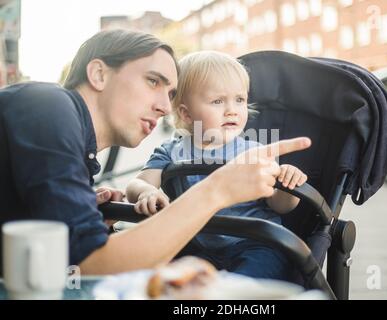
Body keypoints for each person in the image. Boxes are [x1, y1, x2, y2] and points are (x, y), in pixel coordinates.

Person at [0, 29, 311, 275]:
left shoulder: (74, 148)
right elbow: (88, 264)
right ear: (99, 74)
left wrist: (85, 219)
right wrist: (217, 189)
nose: (165, 107)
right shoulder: (49, 106)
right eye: (153, 81)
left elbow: (63, 260)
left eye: (170, 93)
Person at [126, 51, 308, 281]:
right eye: (218, 101)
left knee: (241, 287)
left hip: (256, 244)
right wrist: (147, 193)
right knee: (163, 280)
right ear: (186, 113)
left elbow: (280, 205)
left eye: (240, 100)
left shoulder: (254, 152)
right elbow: (138, 183)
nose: (232, 109)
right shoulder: (172, 151)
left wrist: (287, 183)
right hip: (197, 246)